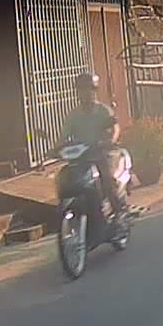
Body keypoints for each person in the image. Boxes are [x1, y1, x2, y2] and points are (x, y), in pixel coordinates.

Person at [64, 72, 129, 219]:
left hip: (102, 153)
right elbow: (64, 135)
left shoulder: (103, 111)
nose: (85, 93)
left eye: (89, 89)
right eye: (81, 89)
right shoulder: (74, 115)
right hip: (82, 157)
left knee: (107, 178)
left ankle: (119, 211)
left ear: (94, 90)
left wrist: (110, 140)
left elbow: (115, 128)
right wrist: (55, 149)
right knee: (67, 179)